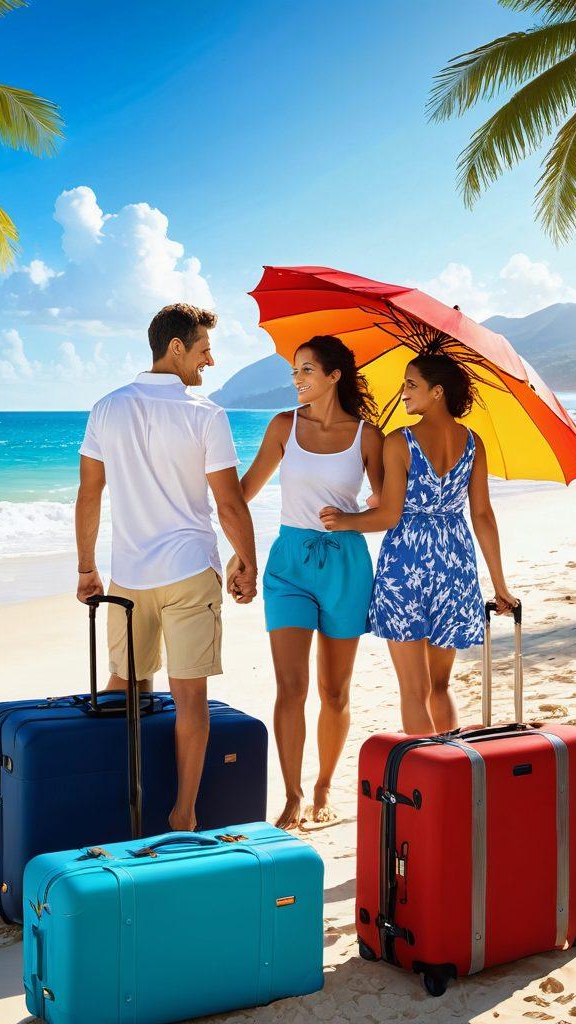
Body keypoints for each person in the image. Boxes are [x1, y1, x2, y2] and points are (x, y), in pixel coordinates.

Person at [75, 303, 258, 832]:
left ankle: (112, 799)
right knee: (189, 698)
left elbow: (90, 494)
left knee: (124, 688)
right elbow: (228, 503)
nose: (211, 361)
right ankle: (182, 815)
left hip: (128, 577)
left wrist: (87, 569)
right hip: (187, 572)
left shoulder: (106, 408)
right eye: (204, 349)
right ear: (175, 347)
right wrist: (246, 560)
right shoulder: (205, 415)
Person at [320, 347, 518, 735]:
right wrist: (499, 585)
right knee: (440, 687)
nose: (405, 392)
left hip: (407, 563)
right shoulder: (474, 443)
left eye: (412, 384)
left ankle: (432, 783)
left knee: (414, 690)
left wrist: (345, 521)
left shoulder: (399, 442)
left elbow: (389, 516)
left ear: (438, 391)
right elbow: (482, 515)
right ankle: (455, 772)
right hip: (455, 563)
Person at [230, 336, 383, 829]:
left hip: (347, 565)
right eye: (295, 371)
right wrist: (242, 556)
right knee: (290, 687)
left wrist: (351, 519)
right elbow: (243, 493)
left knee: (334, 691)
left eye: (307, 370)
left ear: (334, 376)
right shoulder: (283, 427)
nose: (297, 379)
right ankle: (293, 794)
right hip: (289, 565)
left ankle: (323, 787)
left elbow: (387, 509)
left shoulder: (368, 436)